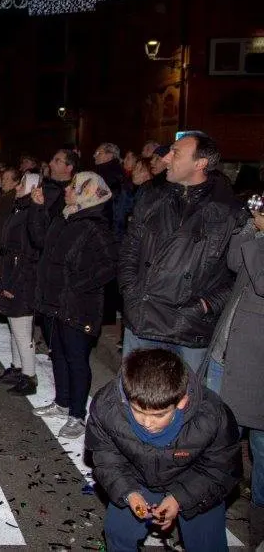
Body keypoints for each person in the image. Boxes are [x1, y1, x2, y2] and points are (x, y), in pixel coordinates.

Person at [86, 349, 240, 552]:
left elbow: (221, 469)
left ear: (182, 402)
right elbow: (106, 458)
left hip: (193, 479)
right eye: (139, 412)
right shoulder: (107, 406)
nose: (147, 423)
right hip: (137, 476)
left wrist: (179, 499)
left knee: (207, 544)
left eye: (159, 415)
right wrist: (129, 493)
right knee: (118, 533)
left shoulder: (213, 416)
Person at [119, 132, 247, 371]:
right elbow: (129, 249)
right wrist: (131, 292)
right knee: (135, 402)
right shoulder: (151, 197)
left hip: (190, 328)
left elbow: (239, 275)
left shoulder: (230, 212)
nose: (166, 158)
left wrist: (204, 305)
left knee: (186, 404)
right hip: (143, 318)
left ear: (200, 163)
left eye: (175, 152)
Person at [31, 172, 118, 439]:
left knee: (76, 359)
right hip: (55, 302)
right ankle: (62, 402)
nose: (67, 190)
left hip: (79, 305)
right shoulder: (66, 217)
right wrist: (38, 209)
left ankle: (78, 415)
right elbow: (40, 243)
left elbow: (110, 265)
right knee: (58, 353)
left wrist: (77, 284)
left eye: (73, 187)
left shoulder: (95, 225)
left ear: (87, 192)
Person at [203, 205, 264, 547]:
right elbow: (235, 263)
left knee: (261, 450)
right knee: (215, 447)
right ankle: (204, 522)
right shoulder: (256, 240)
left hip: (257, 369)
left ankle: (259, 529)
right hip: (225, 356)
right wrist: (247, 229)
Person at [0, 172, 42, 395]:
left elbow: (26, 254)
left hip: (21, 278)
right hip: (12, 273)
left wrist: (12, 282)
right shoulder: (20, 208)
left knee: (22, 329)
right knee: (14, 326)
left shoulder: (30, 211)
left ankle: (29, 376)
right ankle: (17, 367)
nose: (18, 187)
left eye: (22, 183)